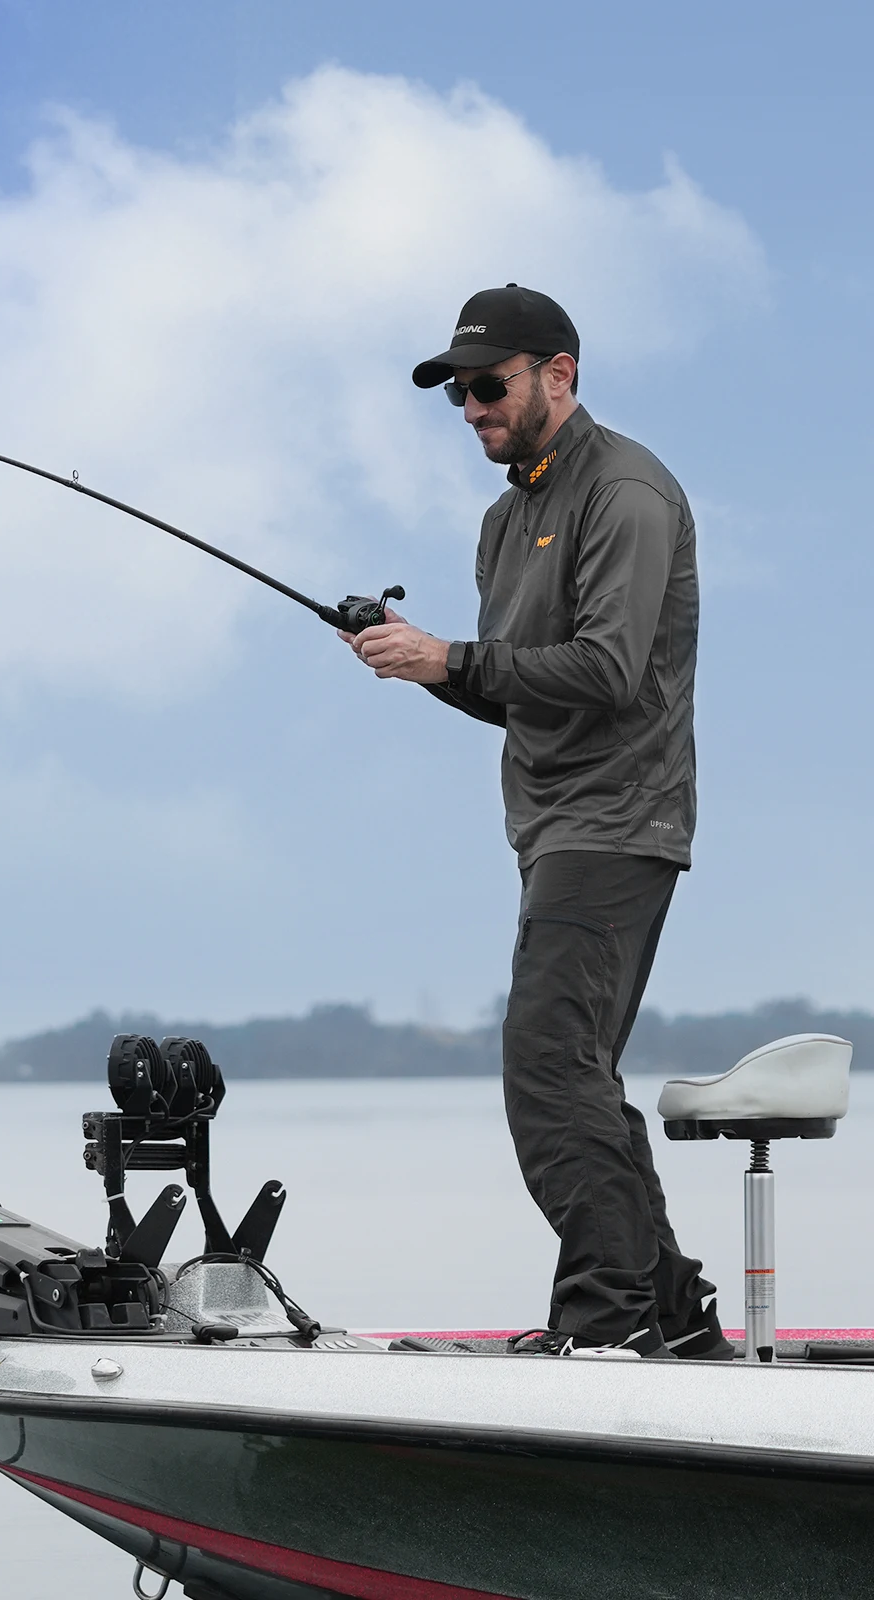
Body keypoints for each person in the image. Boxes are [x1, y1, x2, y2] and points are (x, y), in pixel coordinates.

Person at [340, 284, 731, 1359]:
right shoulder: (505, 517)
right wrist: (415, 658)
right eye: (456, 391)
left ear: (558, 373)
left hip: (618, 824)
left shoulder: (630, 492)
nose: (469, 405)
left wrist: (451, 658)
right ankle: (675, 1315)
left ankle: (603, 1326)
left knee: (547, 1069)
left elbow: (605, 670)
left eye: (487, 384)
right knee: (577, 1077)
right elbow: (510, 686)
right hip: (549, 830)